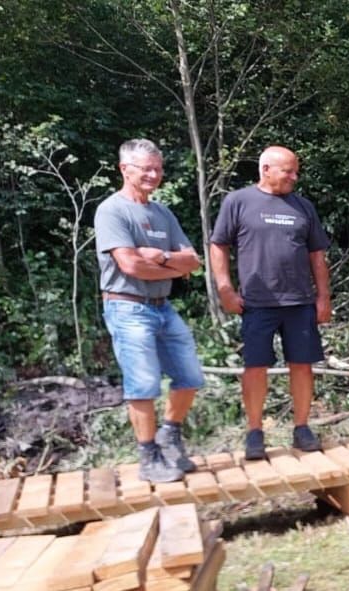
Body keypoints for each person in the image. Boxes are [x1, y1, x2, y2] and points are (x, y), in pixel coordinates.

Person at [209, 146, 330, 459]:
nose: (294, 176)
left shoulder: (303, 206)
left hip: (300, 301)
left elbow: (317, 255)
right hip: (256, 302)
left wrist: (323, 297)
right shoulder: (238, 201)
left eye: (295, 171)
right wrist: (225, 288)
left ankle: (302, 428)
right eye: (287, 171)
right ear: (265, 169)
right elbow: (218, 245)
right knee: (255, 366)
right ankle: (254, 433)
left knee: (302, 366)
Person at [95, 139, 204, 482]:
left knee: (189, 377)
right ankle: (148, 458)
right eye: (146, 169)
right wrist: (173, 267)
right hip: (127, 307)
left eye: (158, 169)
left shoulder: (162, 213)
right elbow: (130, 266)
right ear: (125, 169)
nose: (154, 175)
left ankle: (170, 436)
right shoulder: (112, 210)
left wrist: (161, 256)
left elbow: (195, 261)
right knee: (142, 384)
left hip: (163, 307)